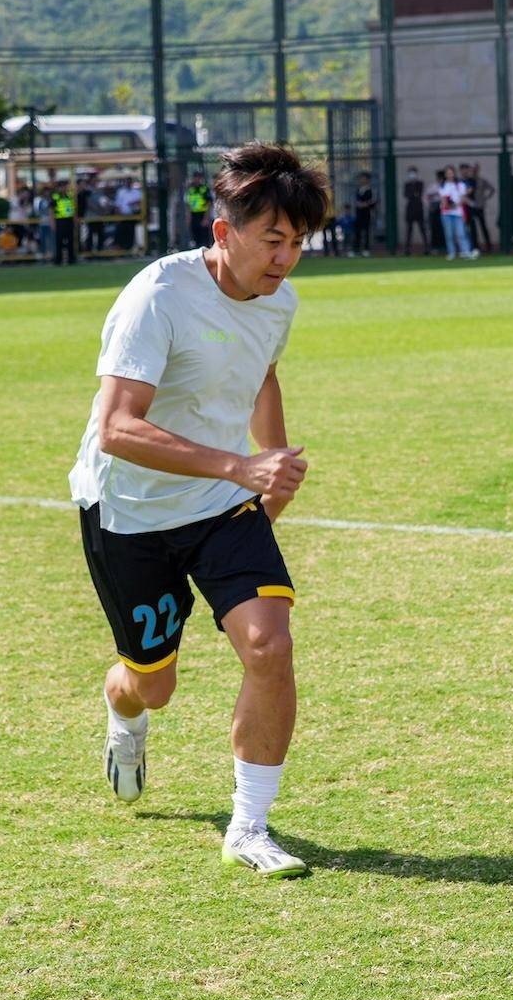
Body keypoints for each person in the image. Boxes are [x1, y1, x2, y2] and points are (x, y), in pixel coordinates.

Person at [72, 141, 325, 880]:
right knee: (154, 684)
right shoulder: (158, 295)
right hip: (130, 510)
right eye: (272, 239)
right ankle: (123, 707)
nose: (285, 258)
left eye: (298, 242)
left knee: (270, 647)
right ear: (224, 231)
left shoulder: (280, 301)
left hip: (220, 505)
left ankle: (249, 826)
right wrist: (241, 465)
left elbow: (263, 371)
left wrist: (273, 463)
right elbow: (117, 428)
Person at [438, 167, 472, 260]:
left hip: (458, 213)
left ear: (454, 173)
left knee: (461, 233)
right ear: (445, 175)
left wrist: (456, 205)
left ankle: (466, 252)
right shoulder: (443, 185)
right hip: (446, 213)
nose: (449, 175)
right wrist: (447, 205)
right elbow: (443, 199)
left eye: (451, 173)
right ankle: (451, 252)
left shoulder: (460, 184)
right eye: (448, 173)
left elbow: (463, 198)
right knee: (449, 234)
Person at [465, 162, 494, 254]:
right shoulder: (468, 181)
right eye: (473, 169)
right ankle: (475, 245)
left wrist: (486, 197)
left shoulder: (482, 180)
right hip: (471, 206)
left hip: (480, 206)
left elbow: (492, 189)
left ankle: (488, 245)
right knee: (473, 227)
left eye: (476, 169)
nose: (474, 171)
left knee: (483, 226)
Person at [401, 166, 427, 255]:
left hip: (419, 209)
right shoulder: (407, 184)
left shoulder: (420, 183)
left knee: (422, 229)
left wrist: (414, 193)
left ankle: (427, 248)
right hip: (410, 209)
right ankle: (407, 249)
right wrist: (413, 194)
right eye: (410, 173)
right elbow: (406, 195)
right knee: (409, 230)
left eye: (413, 173)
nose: (412, 175)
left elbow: (419, 193)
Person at [350, 171, 376, 257]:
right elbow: (355, 201)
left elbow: (373, 202)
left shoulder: (371, 190)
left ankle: (366, 249)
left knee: (366, 232)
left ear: (368, 180)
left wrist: (365, 204)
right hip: (358, 214)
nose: (361, 180)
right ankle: (356, 250)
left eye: (363, 178)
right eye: (361, 178)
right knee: (357, 232)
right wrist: (358, 204)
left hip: (367, 214)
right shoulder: (358, 190)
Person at [52, 182, 78, 266]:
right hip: (60, 221)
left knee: (70, 241)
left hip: (69, 221)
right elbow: (51, 211)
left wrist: (75, 221)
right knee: (59, 242)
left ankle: (71, 259)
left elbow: (73, 209)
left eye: (65, 187)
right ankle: (58, 260)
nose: (63, 188)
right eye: (62, 187)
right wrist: (52, 223)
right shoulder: (55, 197)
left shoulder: (70, 196)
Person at [185, 175, 211, 249]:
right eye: (195, 177)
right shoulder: (190, 189)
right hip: (193, 214)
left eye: (198, 178)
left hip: (202, 214)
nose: (197, 179)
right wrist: (188, 216)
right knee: (195, 233)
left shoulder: (204, 189)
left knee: (204, 235)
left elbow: (208, 203)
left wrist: (206, 217)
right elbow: (188, 203)